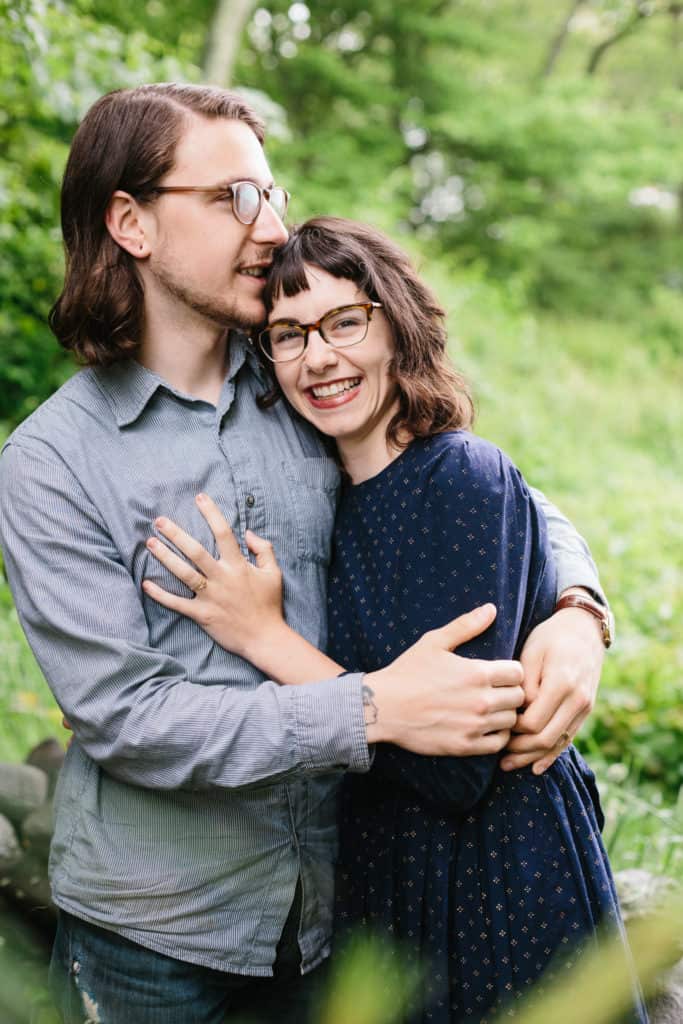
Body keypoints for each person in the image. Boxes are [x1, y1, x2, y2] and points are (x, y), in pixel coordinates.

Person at [0, 85, 607, 1024]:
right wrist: (369, 709)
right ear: (131, 222)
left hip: (341, 910)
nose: (270, 225)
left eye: (272, 193)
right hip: (157, 934)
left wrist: (575, 610)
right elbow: (125, 717)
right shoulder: (50, 463)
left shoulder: (303, 376)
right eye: (234, 198)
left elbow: (478, 487)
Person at [144, 218, 645, 1023]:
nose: (320, 356)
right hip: (384, 870)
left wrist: (264, 637)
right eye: (288, 335)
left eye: (346, 321)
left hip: (495, 882)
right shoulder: (328, 502)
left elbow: (456, 764)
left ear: (396, 325)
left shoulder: (459, 475)